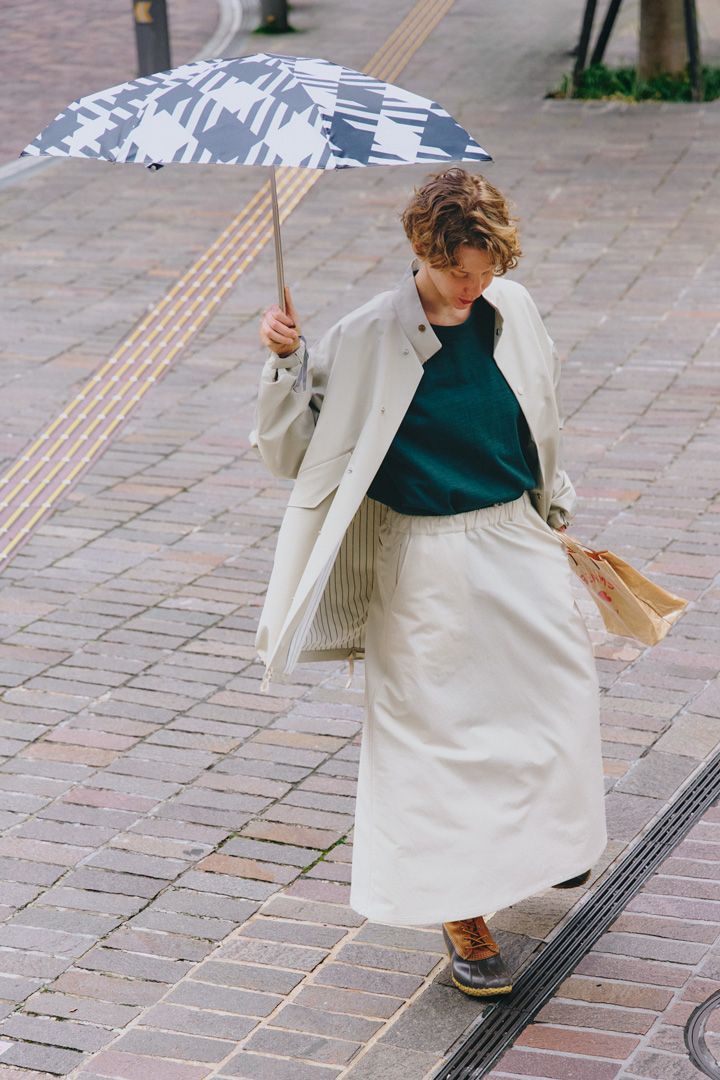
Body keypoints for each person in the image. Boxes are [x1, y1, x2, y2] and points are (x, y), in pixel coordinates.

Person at [253, 167, 607, 997]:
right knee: (437, 737)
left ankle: (544, 849)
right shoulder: (367, 333)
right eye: (459, 271)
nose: (474, 286)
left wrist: (556, 517)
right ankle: (460, 911)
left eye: (486, 270)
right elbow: (292, 456)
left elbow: (542, 413)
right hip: (422, 558)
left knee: (555, 704)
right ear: (422, 250)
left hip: (515, 538)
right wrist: (285, 364)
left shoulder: (511, 309)